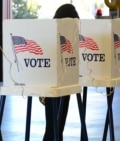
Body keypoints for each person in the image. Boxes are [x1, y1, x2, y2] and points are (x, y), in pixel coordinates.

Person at [42, 4, 79, 141]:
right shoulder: (65, 35)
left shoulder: (50, 32)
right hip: (61, 79)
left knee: (53, 126)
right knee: (56, 125)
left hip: (54, 80)